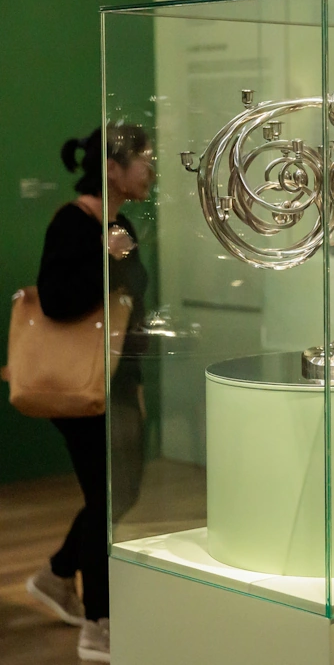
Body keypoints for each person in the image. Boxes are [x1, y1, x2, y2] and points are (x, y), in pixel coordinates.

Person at [25, 125, 153, 664]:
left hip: (114, 381)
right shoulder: (74, 223)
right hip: (79, 385)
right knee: (107, 502)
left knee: (118, 496)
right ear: (112, 168)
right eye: (142, 160)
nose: (150, 169)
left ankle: (56, 574)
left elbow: (135, 295)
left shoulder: (119, 223)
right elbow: (56, 300)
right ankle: (99, 624)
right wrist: (109, 257)